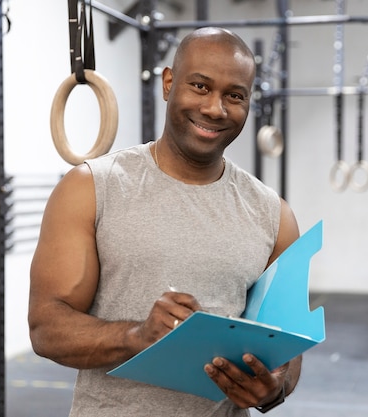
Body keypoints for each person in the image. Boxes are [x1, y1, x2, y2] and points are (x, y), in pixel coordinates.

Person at [28, 26, 302, 416]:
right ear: (168, 83)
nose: (215, 109)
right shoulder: (90, 188)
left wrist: (273, 389)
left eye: (234, 96)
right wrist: (135, 336)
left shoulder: (274, 215)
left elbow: (287, 347)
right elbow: (46, 328)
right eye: (201, 87)